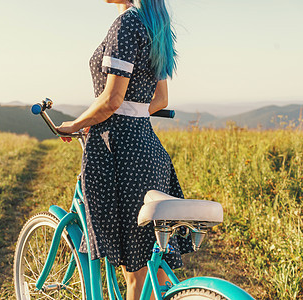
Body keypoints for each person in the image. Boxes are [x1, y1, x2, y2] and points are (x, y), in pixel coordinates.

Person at [56, 0, 194, 299]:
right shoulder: (155, 24)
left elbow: (112, 99)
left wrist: (76, 124)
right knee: (153, 270)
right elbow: (160, 99)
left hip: (121, 151)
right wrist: (113, 115)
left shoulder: (126, 24)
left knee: (137, 275)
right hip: (149, 149)